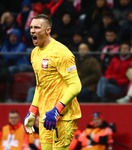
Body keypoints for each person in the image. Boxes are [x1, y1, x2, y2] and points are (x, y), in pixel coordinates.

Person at [23, 14, 82, 150]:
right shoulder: (35, 53)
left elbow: (76, 85)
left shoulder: (62, 53)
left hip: (63, 115)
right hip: (46, 115)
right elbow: (40, 85)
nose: (32, 30)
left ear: (47, 30)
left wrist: (57, 110)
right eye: (31, 27)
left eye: (37, 27)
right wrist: (32, 112)